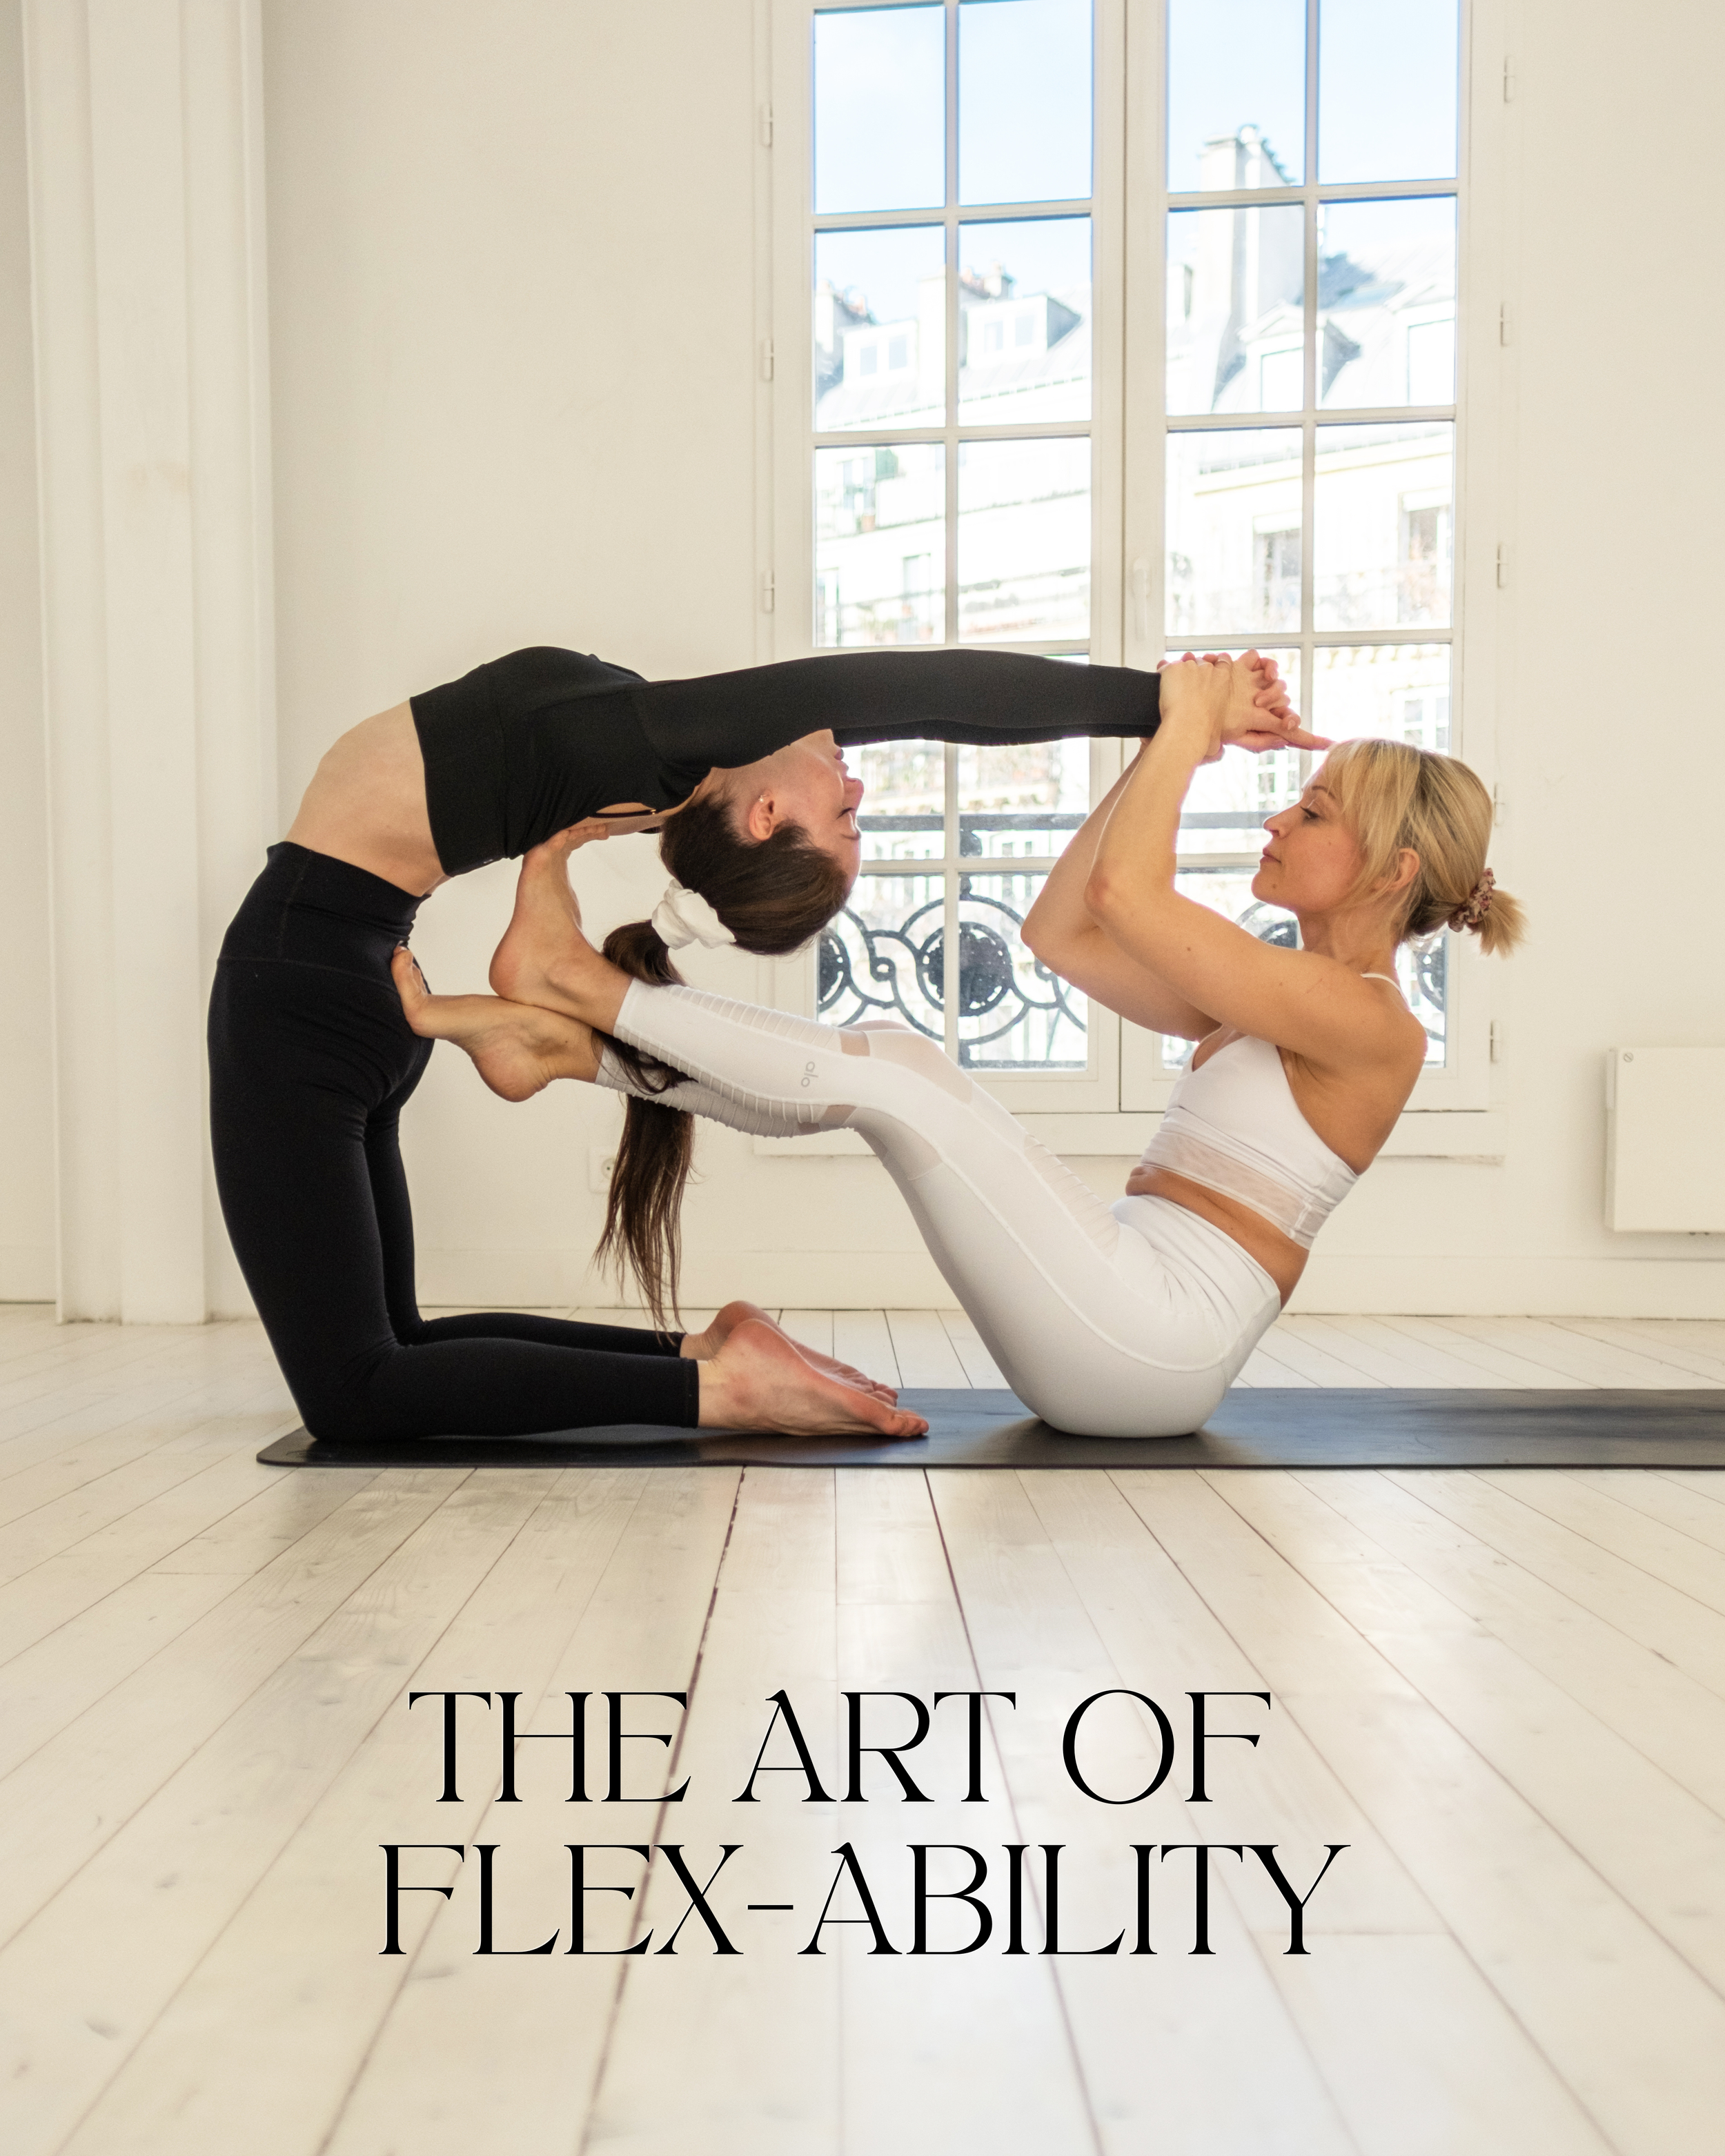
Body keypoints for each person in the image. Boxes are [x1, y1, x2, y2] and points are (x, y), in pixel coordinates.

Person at [210, 642, 1314, 1441]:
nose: (858, 779)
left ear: (767, 818)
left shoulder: (650, 757)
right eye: (857, 814)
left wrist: (1169, 705)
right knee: (389, 1344)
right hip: (340, 983)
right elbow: (915, 696)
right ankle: (693, 1361)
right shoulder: (642, 772)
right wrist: (1160, 707)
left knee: (358, 1390)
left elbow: (919, 691)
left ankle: (717, 1387)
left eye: (846, 817)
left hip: (303, 982)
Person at [397, 657, 1524, 1438]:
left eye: (1315, 815)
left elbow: (1133, 895)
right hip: (1123, 1303)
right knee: (890, 1093)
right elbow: (1066, 925)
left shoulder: (1370, 1021)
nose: (1280, 820)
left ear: (1394, 874)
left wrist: (1189, 724)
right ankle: (565, 1048)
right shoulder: (1285, 1001)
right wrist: (1163, 738)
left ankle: (574, 985)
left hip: (1148, 1345)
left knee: (904, 1074)